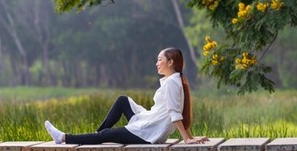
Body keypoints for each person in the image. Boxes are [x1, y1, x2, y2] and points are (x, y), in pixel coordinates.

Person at [43, 47, 210, 145]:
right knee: (123, 101)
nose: (157, 63)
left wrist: (187, 140)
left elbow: (176, 113)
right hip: (149, 120)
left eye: (160, 60)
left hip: (149, 133)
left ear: (171, 62)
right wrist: (190, 137)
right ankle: (97, 135)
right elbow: (182, 111)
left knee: (107, 134)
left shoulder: (173, 82)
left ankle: (63, 137)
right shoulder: (173, 80)